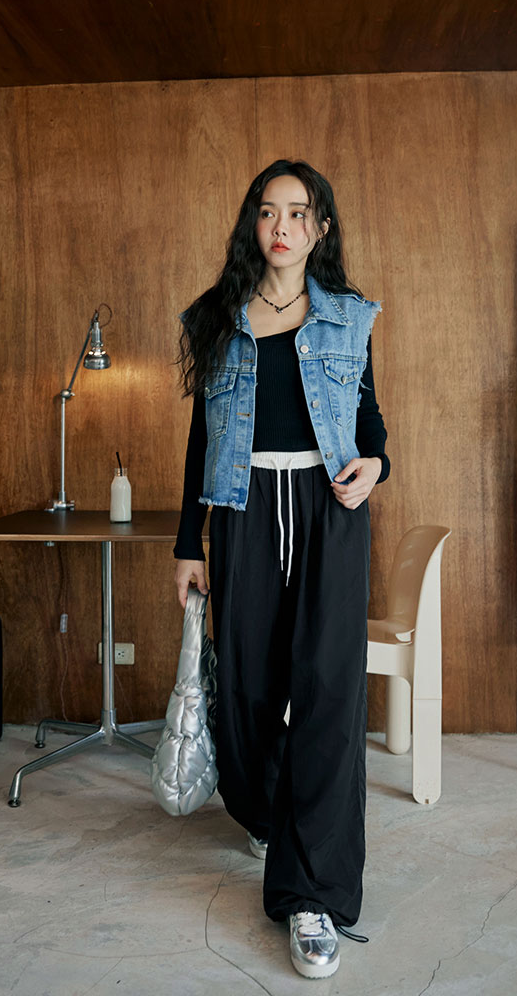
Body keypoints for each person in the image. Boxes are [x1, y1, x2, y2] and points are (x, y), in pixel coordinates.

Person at [173, 159, 390, 980]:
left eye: (300, 213)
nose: (283, 227)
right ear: (253, 224)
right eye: (269, 212)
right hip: (243, 509)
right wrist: (188, 544)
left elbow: (369, 422)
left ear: (320, 228)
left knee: (329, 693)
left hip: (331, 509)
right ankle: (267, 808)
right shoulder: (219, 319)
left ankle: (312, 895)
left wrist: (377, 466)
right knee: (248, 692)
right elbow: (201, 441)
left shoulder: (349, 318)